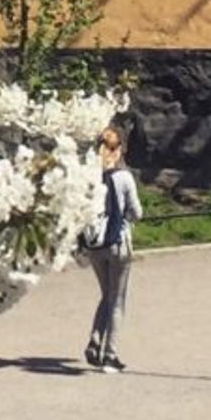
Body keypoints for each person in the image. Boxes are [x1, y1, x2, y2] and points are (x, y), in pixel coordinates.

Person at [85, 124, 143, 372]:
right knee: (117, 300)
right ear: (119, 149)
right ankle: (110, 354)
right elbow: (137, 212)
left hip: (94, 244)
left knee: (106, 295)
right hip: (118, 244)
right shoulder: (124, 178)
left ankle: (95, 340)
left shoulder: (90, 177)